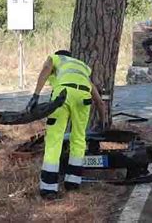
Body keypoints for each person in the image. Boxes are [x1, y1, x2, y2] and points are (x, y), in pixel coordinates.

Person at [26, 50, 106, 200]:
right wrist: (103, 122)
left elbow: (45, 68)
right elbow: (99, 101)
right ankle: (73, 182)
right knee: (79, 138)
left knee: (54, 138)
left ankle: (49, 188)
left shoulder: (56, 58)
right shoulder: (81, 68)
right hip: (84, 97)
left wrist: (35, 95)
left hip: (63, 95)